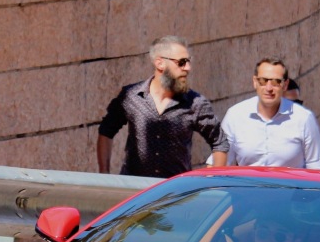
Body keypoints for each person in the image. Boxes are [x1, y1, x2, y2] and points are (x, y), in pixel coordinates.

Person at [96, 36, 228, 178]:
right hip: (135, 191)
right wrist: (105, 175)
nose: (188, 68)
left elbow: (219, 142)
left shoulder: (196, 103)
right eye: (181, 62)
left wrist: (213, 182)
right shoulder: (131, 96)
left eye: (189, 61)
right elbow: (106, 131)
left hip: (175, 192)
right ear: (160, 63)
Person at [220, 58, 320, 168]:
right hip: (247, 184)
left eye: (276, 82)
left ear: (285, 85)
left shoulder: (304, 118)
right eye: (263, 81)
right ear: (255, 82)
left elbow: (316, 165)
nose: (269, 88)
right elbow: (220, 164)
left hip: (289, 184)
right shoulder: (235, 115)